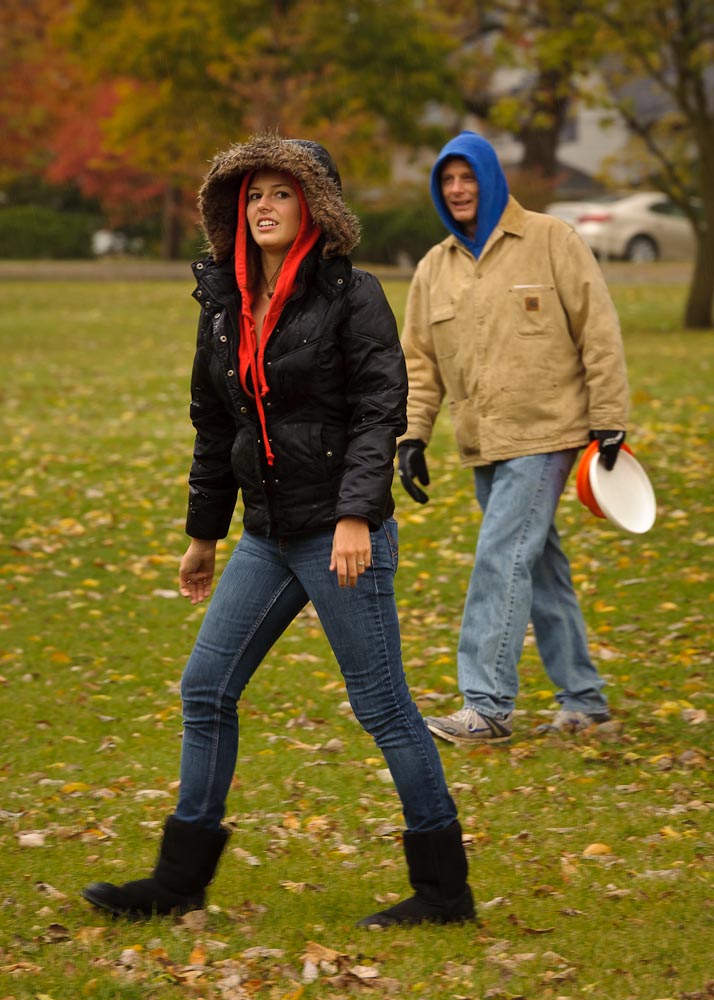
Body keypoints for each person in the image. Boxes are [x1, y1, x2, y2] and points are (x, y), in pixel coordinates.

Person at [81, 133, 474, 927]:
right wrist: (203, 535)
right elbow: (212, 423)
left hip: (339, 535)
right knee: (206, 688)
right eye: (252, 194)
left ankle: (443, 892)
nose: (263, 206)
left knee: (385, 708)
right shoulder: (223, 301)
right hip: (266, 535)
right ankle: (179, 879)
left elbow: (378, 409)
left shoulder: (352, 295)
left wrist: (358, 514)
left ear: (315, 208)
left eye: (281, 193)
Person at [397, 130, 629, 746]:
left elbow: (598, 330)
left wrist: (609, 418)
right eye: (447, 181)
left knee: (501, 559)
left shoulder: (552, 240)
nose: (457, 190)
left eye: (467, 178)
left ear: (491, 179)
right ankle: (585, 702)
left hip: (548, 433)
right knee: (540, 566)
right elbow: (419, 363)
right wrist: (411, 436)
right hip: (484, 443)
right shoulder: (433, 268)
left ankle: (487, 706)